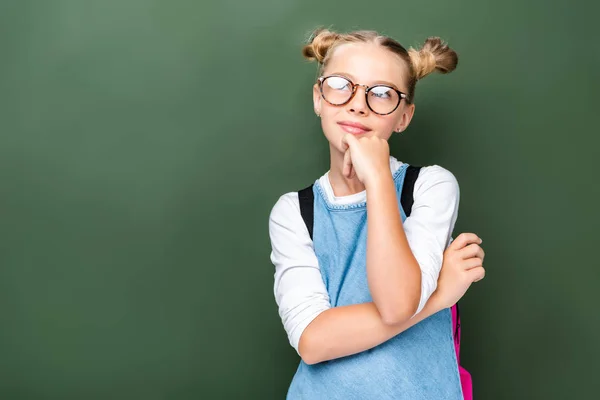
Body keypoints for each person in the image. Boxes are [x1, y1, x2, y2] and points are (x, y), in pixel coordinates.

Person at [268, 28, 485, 399]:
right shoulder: (294, 211)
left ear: (403, 117)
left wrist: (379, 177)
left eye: (382, 93)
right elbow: (312, 342)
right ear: (318, 98)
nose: (358, 104)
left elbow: (397, 301)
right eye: (341, 85)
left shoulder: (429, 187)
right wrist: (438, 296)